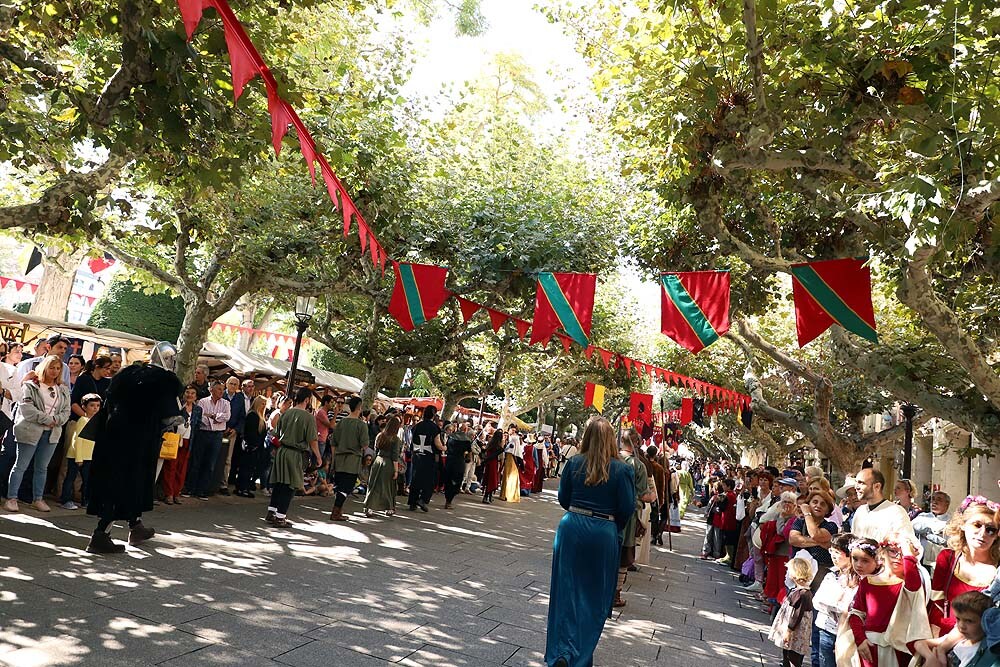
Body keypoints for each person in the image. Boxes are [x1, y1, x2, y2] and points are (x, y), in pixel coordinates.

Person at [544, 417, 635, 667]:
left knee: (565, 593)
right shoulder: (622, 469)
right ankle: (580, 657)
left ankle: (562, 651)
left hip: (571, 527)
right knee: (595, 598)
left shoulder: (573, 463)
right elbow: (627, 508)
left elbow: (564, 498)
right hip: (603, 531)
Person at [84, 364, 183, 553]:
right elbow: (170, 418)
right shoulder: (158, 384)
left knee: (129, 485)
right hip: (134, 446)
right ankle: (100, 535)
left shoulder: (125, 380)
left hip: (113, 439)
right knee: (122, 486)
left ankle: (135, 526)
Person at [841, 534, 931, 667]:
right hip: (870, 648)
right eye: (893, 551)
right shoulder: (868, 582)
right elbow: (856, 614)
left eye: (902, 553)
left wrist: (907, 551)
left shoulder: (908, 583)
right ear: (882, 552)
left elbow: (913, 585)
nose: (898, 557)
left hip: (898, 649)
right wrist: (860, 640)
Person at [4, 355, 72, 512]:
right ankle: (11, 498)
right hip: (30, 430)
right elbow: (26, 408)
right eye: (51, 367)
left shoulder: (62, 389)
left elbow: (66, 411)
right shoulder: (30, 386)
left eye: (58, 368)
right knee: (21, 465)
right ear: (44, 368)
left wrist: (56, 420)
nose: (54, 371)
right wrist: (47, 419)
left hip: (52, 433)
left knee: (42, 467)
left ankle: (38, 498)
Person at [927, 497, 1000, 636]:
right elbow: (937, 604)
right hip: (944, 637)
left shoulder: (999, 569)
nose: (983, 533)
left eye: (991, 529)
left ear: (997, 535)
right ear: (963, 524)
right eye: (977, 525)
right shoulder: (947, 558)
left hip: (983, 644)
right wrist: (936, 646)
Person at [266, 387, 321, 527]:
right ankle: (280, 517)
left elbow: (276, 433)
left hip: (282, 451)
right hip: (295, 454)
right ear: (308, 400)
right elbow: (313, 440)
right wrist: (318, 457)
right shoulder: (308, 417)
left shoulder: (286, 413)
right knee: (289, 485)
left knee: (279, 483)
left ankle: (271, 512)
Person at [617, 429, 655, 607]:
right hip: (629, 516)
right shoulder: (637, 465)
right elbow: (644, 495)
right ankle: (615, 595)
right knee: (624, 557)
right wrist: (653, 495)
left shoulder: (611, 459)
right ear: (636, 443)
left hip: (608, 513)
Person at [813, 533, 860, 667]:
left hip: (844, 632)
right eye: (831, 551)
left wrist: (832, 603)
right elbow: (817, 601)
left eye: (837, 552)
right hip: (824, 626)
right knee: (822, 660)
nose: (833, 555)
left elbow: (849, 607)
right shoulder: (831, 574)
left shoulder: (857, 580)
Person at [767, 557, 815, 667]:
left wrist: (789, 630)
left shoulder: (802, 594)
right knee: (787, 652)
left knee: (793, 656)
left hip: (795, 631)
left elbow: (797, 615)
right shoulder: (797, 591)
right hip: (792, 628)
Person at [59, 393, 101, 510]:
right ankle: (66, 499)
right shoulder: (82, 420)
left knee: (87, 480)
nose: (95, 408)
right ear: (84, 407)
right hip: (77, 455)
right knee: (70, 477)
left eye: (97, 406)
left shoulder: (96, 422)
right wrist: (79, 457)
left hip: (89, 456)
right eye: (92, 405)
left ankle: (85, 500)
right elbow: (77, 439)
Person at [188, 381, 230, 500]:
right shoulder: (203, 401)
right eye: (219, 389)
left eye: (222, 390)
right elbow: (201, 418)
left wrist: (211, 415)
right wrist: (217, 417)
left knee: (210, 463)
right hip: (203, 433)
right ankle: (191, 488)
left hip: (217, 435)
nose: (221, 392)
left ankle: (202, 490)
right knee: (197, 461)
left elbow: (227, 417)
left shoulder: (226, 403)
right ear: (211, 390)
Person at [329, 396, 367, 521]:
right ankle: (336, 511)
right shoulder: (361, 425)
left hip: (339, 458)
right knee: (347, 486)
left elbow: (333, 442)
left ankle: (338, 511)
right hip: (352, 459)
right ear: (359, 407)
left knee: (340, 486)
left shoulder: (342, 422)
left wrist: (334, 460)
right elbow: (364, 444)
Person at [851, 468, 913, 543]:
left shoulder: (896, 512)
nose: (856, 487)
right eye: (856, 482)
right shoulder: (860, 511)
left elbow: (909, 543)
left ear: (877, 486)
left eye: (861, 483)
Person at [163, 385, 200, 505]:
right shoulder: (178, 406)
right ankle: (168, 493)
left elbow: (197, 426)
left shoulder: (198, 409)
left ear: (196, 396)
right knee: (171, 466)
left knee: (182, 468)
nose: (190, 395)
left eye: (192, 393)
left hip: (188, 440)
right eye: (187, 392)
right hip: (175, 439)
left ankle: (176, 492)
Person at [407, 405, 444, 512]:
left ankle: (412, 502)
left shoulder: (416, 426)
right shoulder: (434, 428)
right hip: (429, 457)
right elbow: (437, 444)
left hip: (417, 456)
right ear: (433, 415)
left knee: (415, 479)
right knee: (429, 480)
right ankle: (423, 500)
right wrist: (444, 447)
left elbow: (412, 441)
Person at [364, 415, 402, 517]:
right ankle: (389, 508)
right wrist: (396, 470)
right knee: (388, 487)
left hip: (377, 461)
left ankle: (369, 507)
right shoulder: (395, 439)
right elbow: (395, 456)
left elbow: (376, 450)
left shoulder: (379, 436)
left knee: (374, 485)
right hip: (388, 463)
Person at [236, 396, 266, 498]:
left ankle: (244, 487)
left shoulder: (259, 416)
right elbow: (250, 432)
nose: (264, 406)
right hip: (251, 446)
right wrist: (254, 445)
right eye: (262, 404)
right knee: (246, 468)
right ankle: (242, 488)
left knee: (249, 469)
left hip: (256, 447)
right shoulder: (253, 415)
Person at [913, 491, 953, 568]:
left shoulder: (951, 521)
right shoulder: (922, 516)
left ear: (947, 504)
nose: (935, 502)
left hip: (940, 562)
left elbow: (949, 542)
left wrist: (929, 535)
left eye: (939, 499)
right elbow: (911, 528)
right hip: (920, 560)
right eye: (933, 499)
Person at [443, 421, 472, 509]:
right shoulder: (467, 439)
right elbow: (469, 452)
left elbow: (447, 447)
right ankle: (449, 500)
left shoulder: (451, 437)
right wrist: (468, 458)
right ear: (465, 430)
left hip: (450, 459)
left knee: (448, 479)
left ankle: (448, 500)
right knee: (457, 480)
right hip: (459, 461)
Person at [480, 429, 503, 504]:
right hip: (492, 463)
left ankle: (489, 496)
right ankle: (486, 497)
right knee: (491, 480)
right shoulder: (496, 445)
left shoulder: (491, 443)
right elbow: (493, 455)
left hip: (490, 463)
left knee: (489, 479)